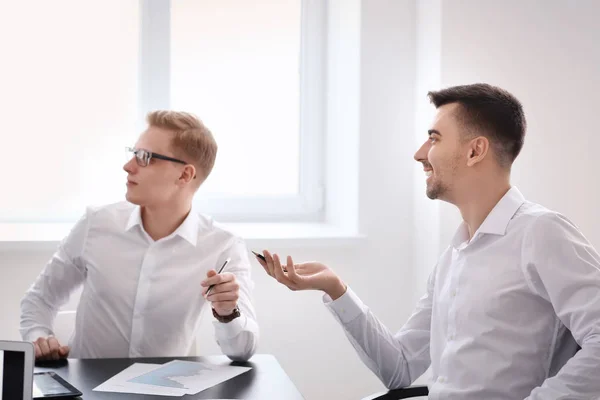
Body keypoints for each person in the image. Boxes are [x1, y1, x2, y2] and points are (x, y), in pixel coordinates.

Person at [256, 83, 600, 399]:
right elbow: (399, 368)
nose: (420, 154)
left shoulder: (542, 233)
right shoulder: (456, 254)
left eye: (434, 138)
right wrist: (335, 288)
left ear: (475, 151)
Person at [20, 111, 258, 362]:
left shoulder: (223, 246)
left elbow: (243, 352)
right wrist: (38, 337)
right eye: (133, 154)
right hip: (84, 391)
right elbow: (39, 300)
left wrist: (227, 313)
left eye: (145, 157)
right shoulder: (96, 224)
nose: (128, 166)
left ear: (184, 175)